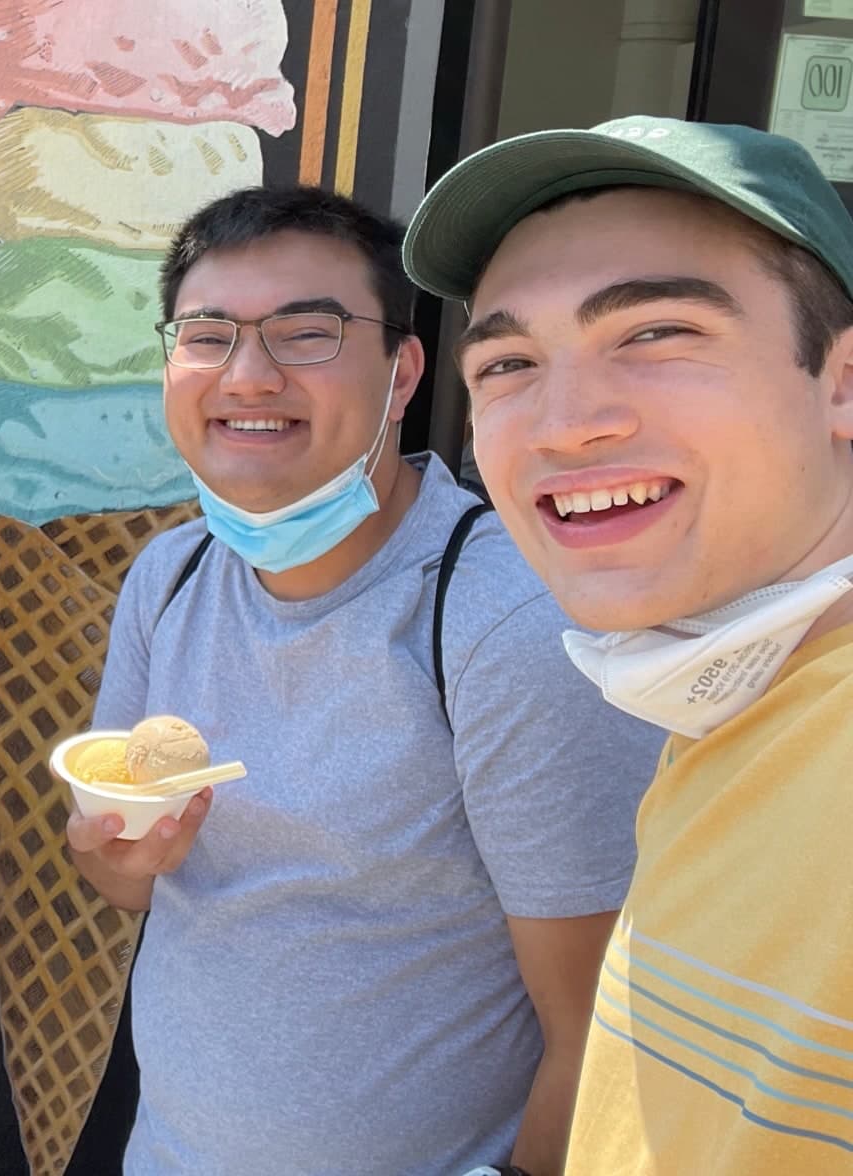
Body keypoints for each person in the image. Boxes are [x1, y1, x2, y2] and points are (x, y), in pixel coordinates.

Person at [65, 187, 665, 1175]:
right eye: (208, 335)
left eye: (308, 334)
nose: (248, 375)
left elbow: (602, 1024)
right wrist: (120, 860)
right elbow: (120, 879)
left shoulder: (500, 625)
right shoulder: (164, 581)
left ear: (401, 374)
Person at [404, 116, 853, 1174]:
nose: (564, 424)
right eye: (509, 361)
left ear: (840, 383)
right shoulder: (720, 715)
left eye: (657, 333)